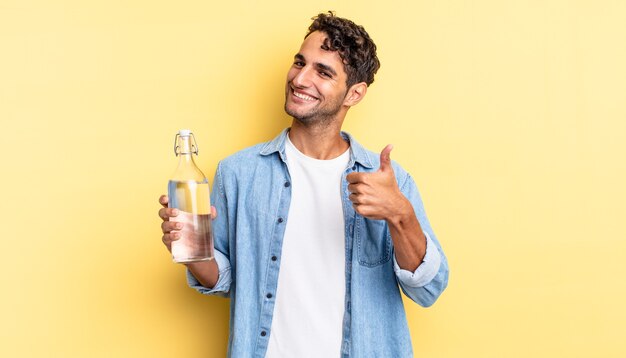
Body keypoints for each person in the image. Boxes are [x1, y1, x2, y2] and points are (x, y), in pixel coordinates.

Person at [158, 12, 449, 358]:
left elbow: (428, 288)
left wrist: (401, 216)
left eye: (323, 72)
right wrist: (190, 248)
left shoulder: (388, 180)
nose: (300, 78)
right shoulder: (238, 173)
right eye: (300, 62)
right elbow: (223, 279)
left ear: (354, 93)